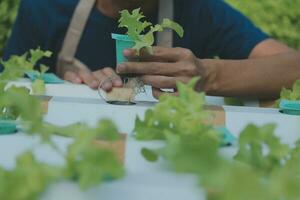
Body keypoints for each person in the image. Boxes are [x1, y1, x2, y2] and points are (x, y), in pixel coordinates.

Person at [3, 0, 300, 99]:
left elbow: (293, 66)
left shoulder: (199, 9)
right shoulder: (44, 7)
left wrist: (209, 75)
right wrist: (63, 87)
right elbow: (10, 87)